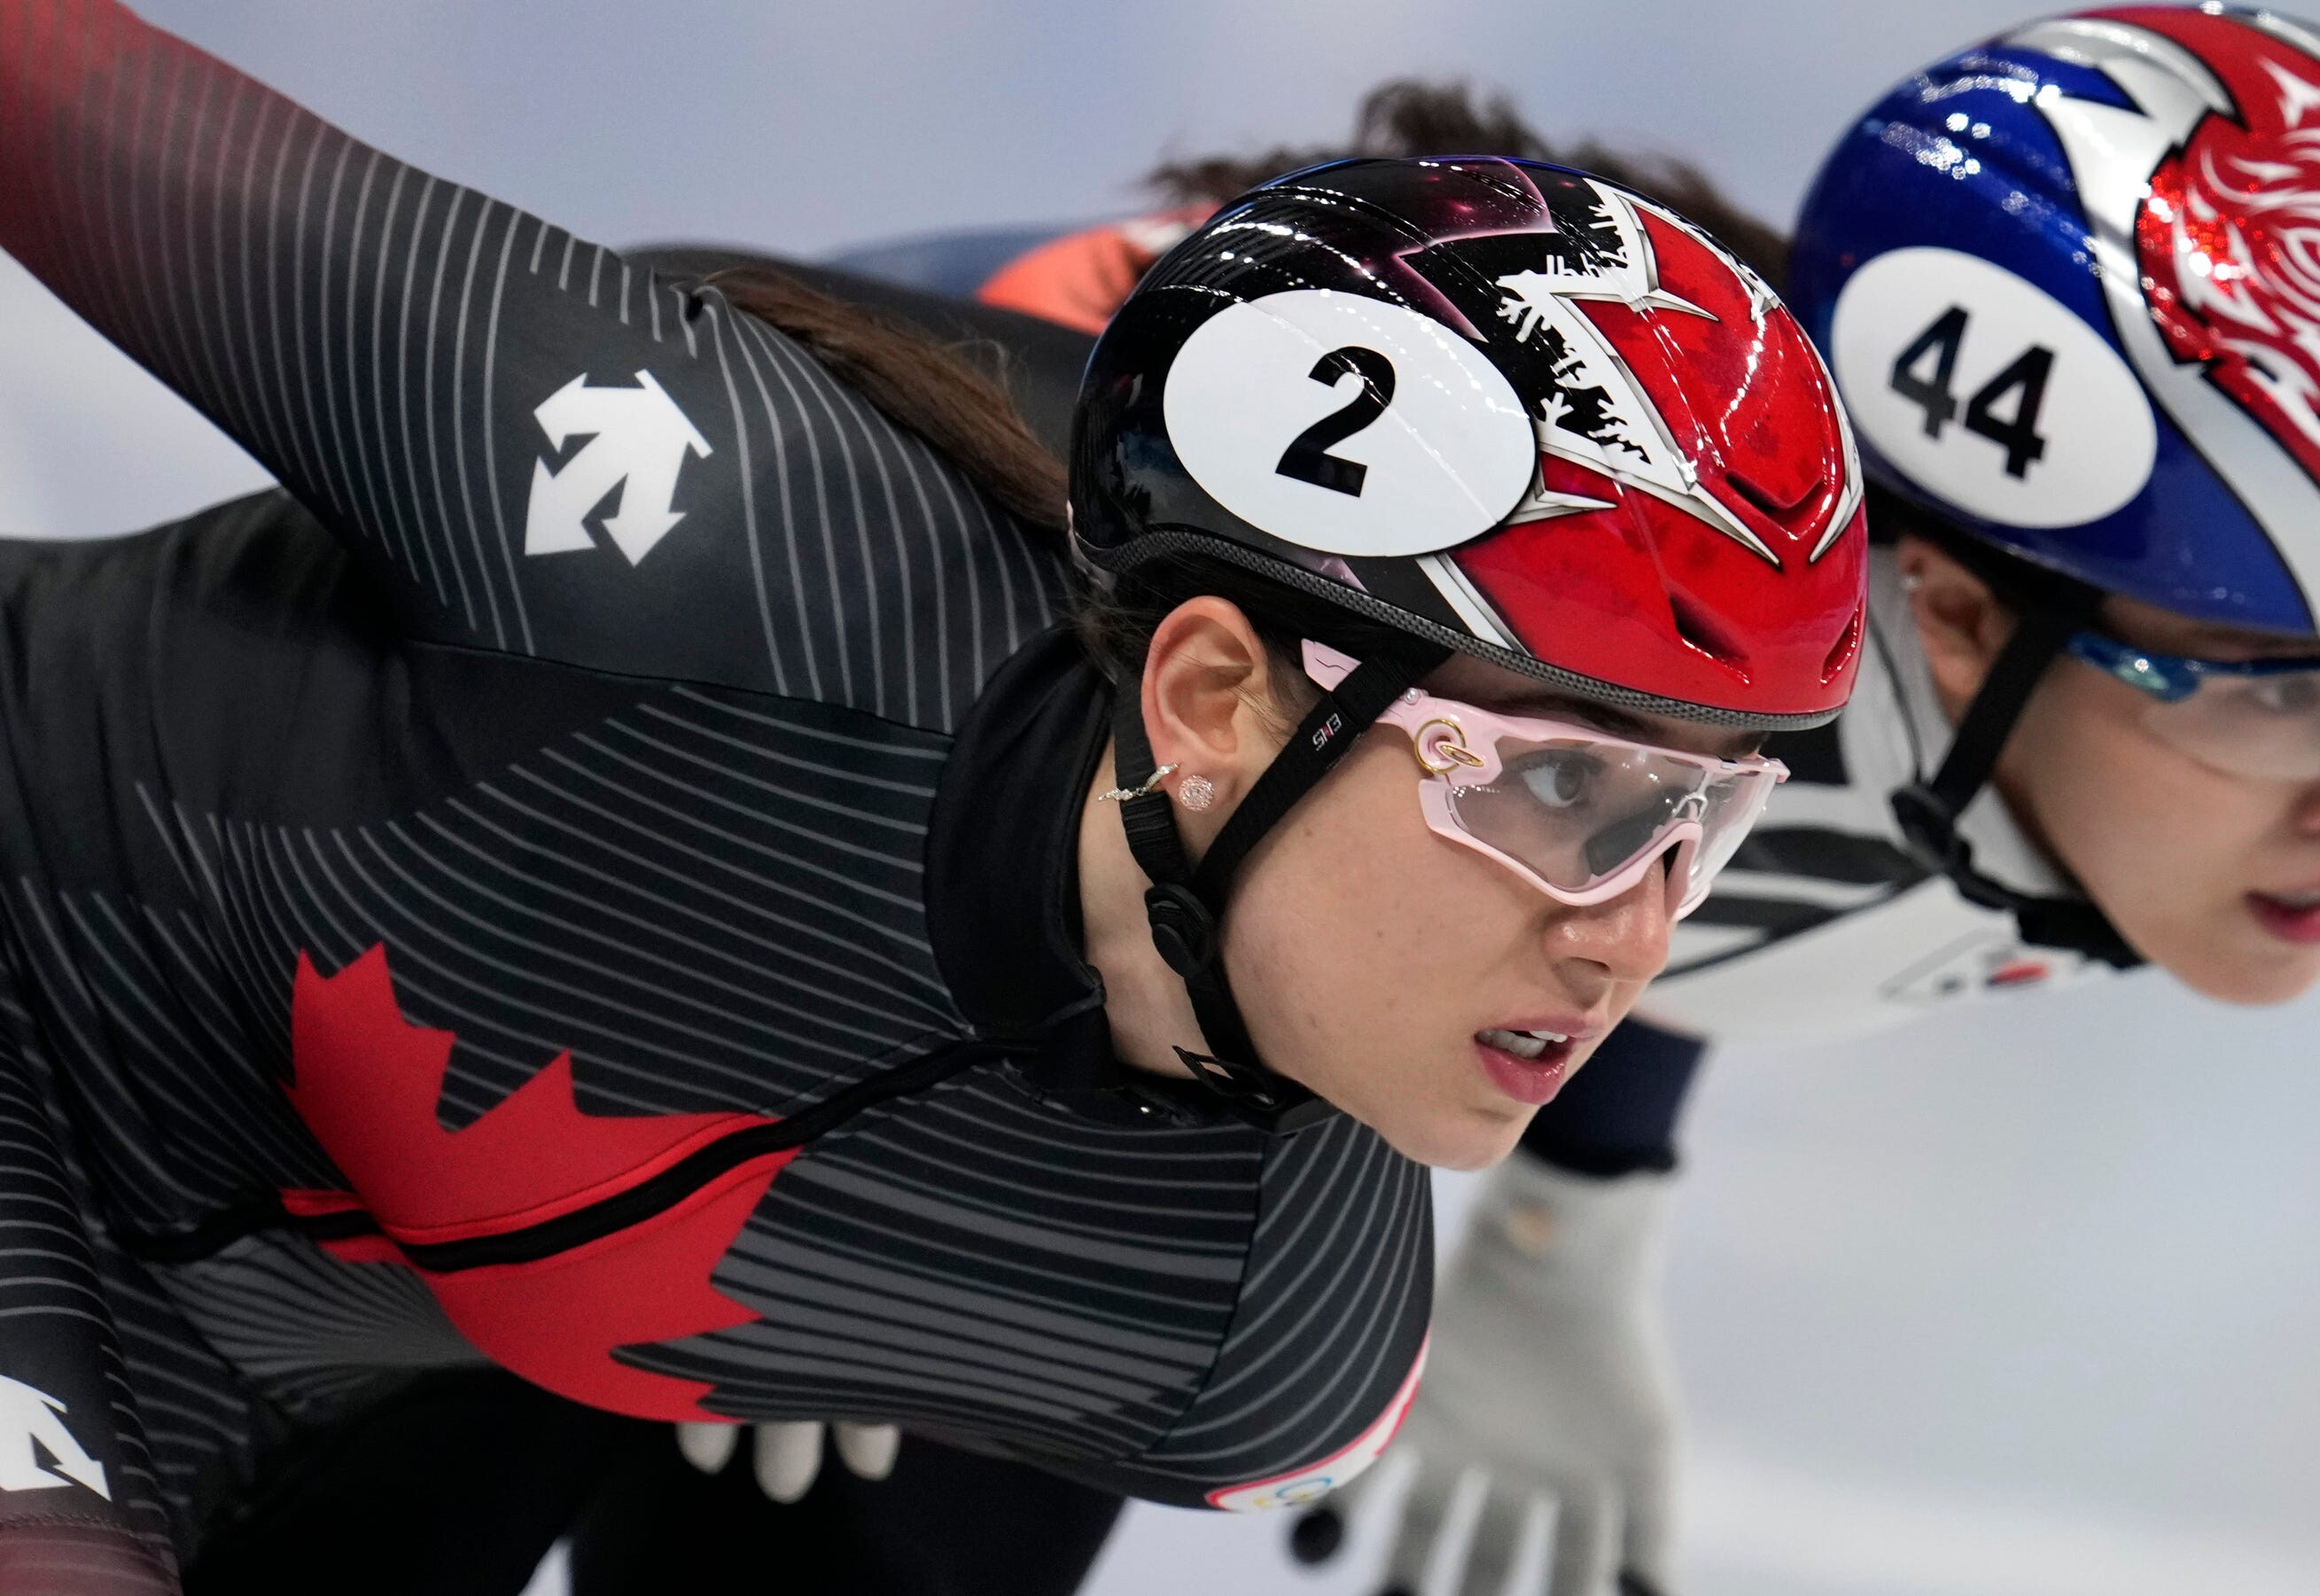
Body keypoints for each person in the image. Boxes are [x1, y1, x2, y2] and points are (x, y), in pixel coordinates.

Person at [0, 4, 1872, 1593]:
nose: (1636, 929)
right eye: (1561, 784)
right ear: (1212, 694)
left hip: (251, 1392)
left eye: (1707, 822)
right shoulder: (697, 535)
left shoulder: (1265, 1335)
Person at [798, 11, 2320, 1594]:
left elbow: (1689, 892)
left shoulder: (2230, 786)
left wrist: (1582, 1222)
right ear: (1954, 625)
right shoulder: (1595, 620)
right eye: (2286, 694)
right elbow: (879, 544)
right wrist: (815, 1034)